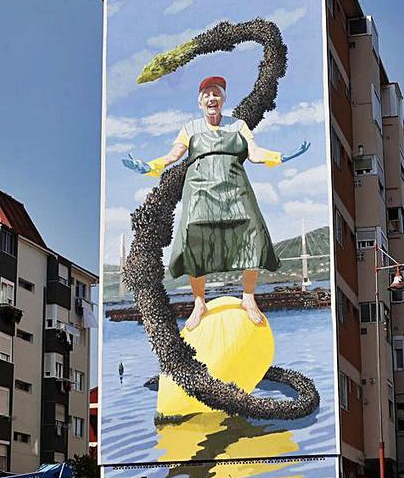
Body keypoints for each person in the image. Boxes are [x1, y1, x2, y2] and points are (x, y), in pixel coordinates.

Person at [123, 75, 310, 330]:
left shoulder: (239, 125)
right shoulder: (189, 128)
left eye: (217, 94)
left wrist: (281, 156)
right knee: (194, 238)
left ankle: (248, 298)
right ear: (200, 102)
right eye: (207, 95)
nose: (212, 98)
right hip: (200, 188)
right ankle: (199, 302)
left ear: (223, 100)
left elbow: (254, 153)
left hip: (235, 186)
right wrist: (148, 166)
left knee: (252, 232)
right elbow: (173, 155)